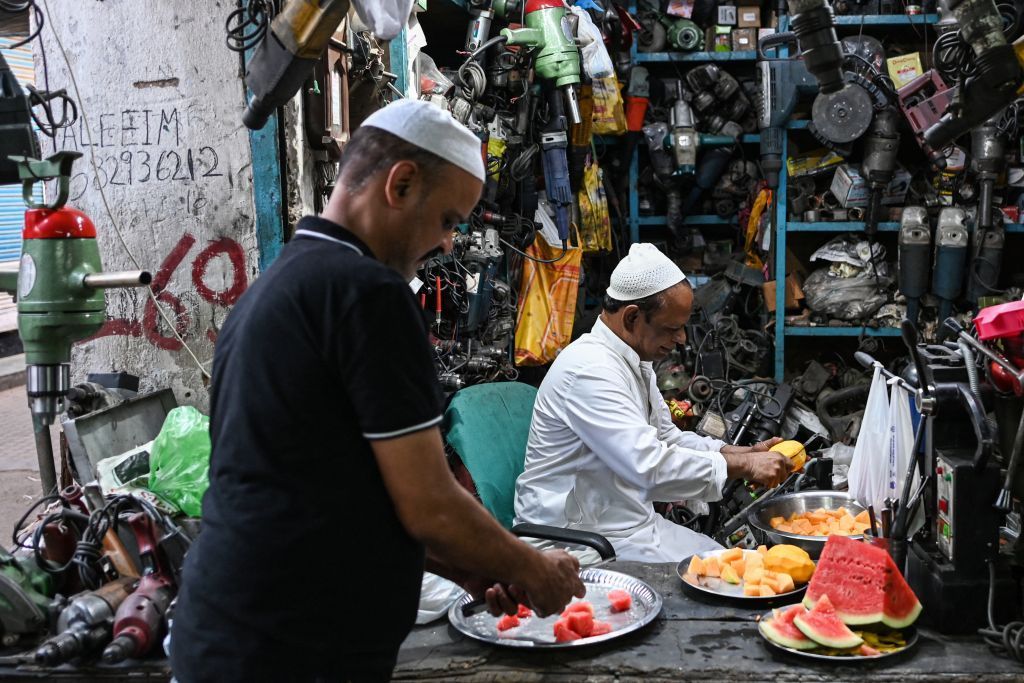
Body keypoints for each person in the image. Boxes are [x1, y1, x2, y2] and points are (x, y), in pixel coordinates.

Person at [170, 99, 585, 683]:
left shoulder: (274, 290)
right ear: (402, 183)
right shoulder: (368, 295)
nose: (448, 244)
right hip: (293, 650)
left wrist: (466, 566)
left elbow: (334, 492)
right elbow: (428, 502)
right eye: (448, 220)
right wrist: (534, 569)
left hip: (235, 634)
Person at [514, 243, 791, 562]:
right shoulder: (590, 369)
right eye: (672, 328)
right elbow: (648, 467)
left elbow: (667, 438)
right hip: (580, 544)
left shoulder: (632, 362)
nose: (682, 339)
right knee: (728, 576)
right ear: (632, 317)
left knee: (731, 563)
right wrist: (744, 467)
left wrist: (739, 453)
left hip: (627, 528)